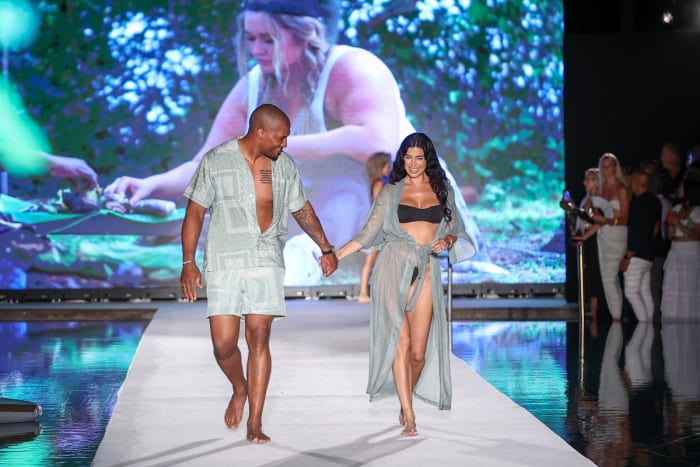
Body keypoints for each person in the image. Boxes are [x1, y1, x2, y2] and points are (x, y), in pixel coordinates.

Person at [105, 0, 489, 284]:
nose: (256, 49)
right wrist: (149, 185)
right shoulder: (253, 86)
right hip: (316, 212)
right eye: (250, 39)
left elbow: (381, 146)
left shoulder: (352, 68)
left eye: (268, 39)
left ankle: (304, 259)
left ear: (304, 34)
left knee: (344, 179)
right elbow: (207, 163)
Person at [179, 104, 338, 443]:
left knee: (258, 336)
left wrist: (325, 246)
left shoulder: (284, 167)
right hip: (223, 259)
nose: (285, 144)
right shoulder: (216, 160)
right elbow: (194, 211)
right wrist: (188, 262)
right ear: (260, 132)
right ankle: (240, 387)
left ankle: (255, 422)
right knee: (223, 346)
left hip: (265, 257)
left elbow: (302, 208)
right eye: (280, 138)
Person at [335, 133, 477, 436]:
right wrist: (335, 256)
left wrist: (448, 239)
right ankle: (409, 414)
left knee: (418, 354)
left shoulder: (443, 190)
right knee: (400, 345)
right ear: (402, 159)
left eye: (419, 158)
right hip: (392, 267)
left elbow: (456, 230)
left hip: (425, 268)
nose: (413, 164)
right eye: (408, 158)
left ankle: (405, 398)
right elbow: (367, 234)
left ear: (428, 160)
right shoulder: (390, 192)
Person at [590, 153, 630, 322]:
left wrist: (606, 219)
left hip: (616, 234)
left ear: (615, 167)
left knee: (609, 278)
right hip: (602, 234)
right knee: (609, 278)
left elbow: (624, 219)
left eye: (609, 165)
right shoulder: (600, 189)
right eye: (603, 166)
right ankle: (617, 316)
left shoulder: (621, 188)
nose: (606, 169)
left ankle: (616, 317)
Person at [620, 170, 661, 322]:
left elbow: (638, 231)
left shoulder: (638, 203)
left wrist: (628, 255)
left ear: (638, 183)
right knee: (644, 291)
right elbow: (654, 228)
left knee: (631, 292)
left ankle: (644, 324)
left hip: (636, 254)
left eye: (632, 180)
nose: (629, 183)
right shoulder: (654, 201)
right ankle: (649, 325)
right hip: (649, 253)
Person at [661, 170, 700, 322]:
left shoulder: (697, 211)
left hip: (690, 253)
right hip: (675, 251)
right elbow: (670, 236)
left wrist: (679, 224)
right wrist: (670, 224)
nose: (679, 190)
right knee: (674, 288)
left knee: (689, 288)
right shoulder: (677, 209)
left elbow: (696, 234)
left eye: (682, 188)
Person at [570, 168, 605, 330]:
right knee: (587, 278)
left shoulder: (598, 200)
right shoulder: (586, 199)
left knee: (594, 277)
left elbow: (597, 222)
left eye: (588, 180)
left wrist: (585, 236)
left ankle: (596, 317)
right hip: (586, 242)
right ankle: (589, 314)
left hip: (595, 243)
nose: (585, 183)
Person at [357, 151, 391, 303]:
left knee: (380, 260)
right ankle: (363, 293)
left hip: (382, 224)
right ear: (381, 166)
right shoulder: (378, 183)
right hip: (378, 225)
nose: (389, 168)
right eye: (387, 166)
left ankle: (379, 292)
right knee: (370, 259)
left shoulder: (381, 182)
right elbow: (378, 204)